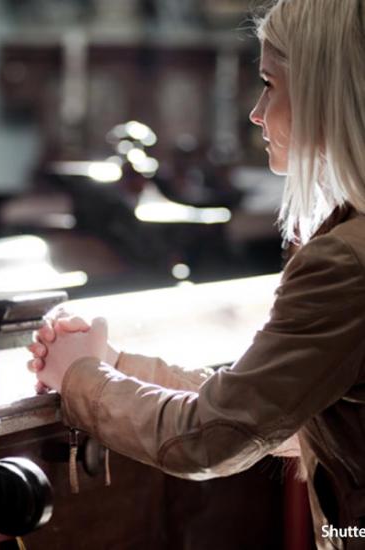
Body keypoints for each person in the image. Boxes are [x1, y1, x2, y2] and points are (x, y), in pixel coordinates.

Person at [27, 1, 365, 548]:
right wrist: (114, 365)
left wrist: (78, 379)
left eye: (269, 84)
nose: (257, 113)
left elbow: (212, 438)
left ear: (325, 92)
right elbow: (274, 407)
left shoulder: (343, 261)